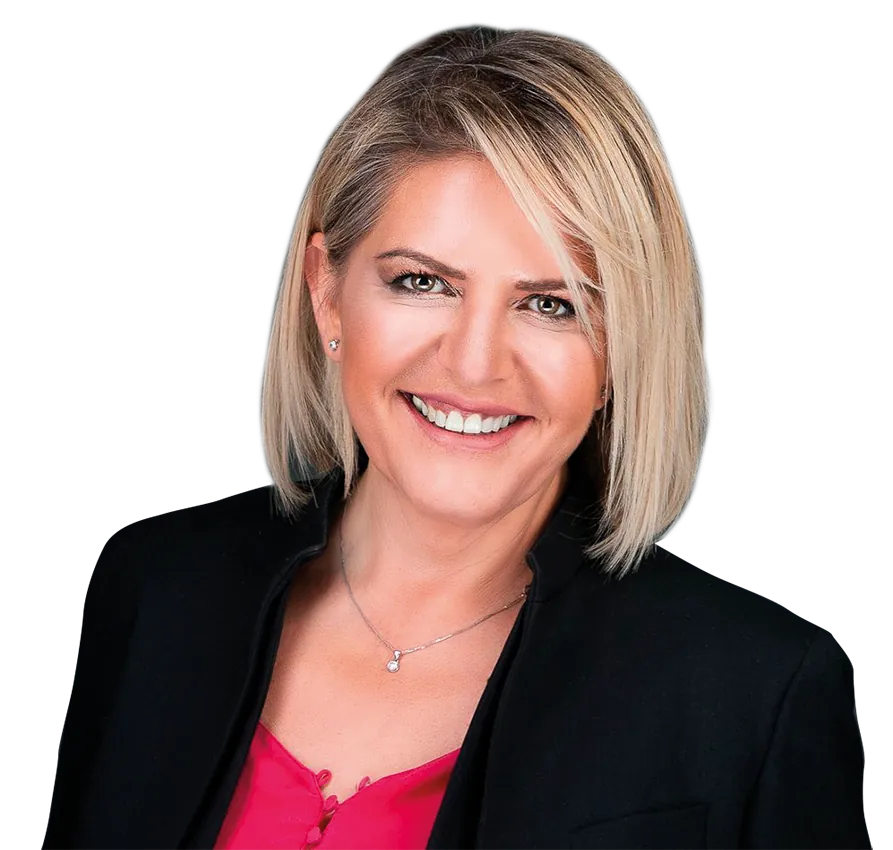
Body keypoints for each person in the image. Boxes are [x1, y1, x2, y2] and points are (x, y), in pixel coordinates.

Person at [43, 25, 871, 850]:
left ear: (622, 348)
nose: (474, 364)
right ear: (327, 294)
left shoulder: (751, 693)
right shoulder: (154, 587)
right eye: (422, 282)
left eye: (549, 303)